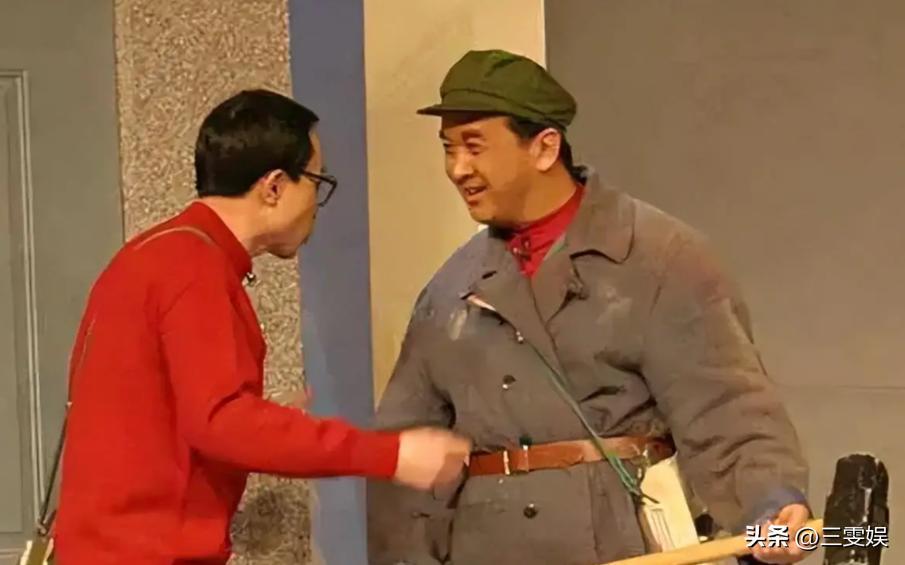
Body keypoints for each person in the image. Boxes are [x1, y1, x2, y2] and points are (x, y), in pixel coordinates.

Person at [367, 50, 810, 565]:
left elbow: (726, 407)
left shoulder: (659, 258)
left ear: (544, 147)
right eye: (448, 149)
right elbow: (405, 450)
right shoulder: (450, 290)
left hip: (623, 543)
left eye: (474, 146)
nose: (457, 169)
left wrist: (770, 507)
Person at [53, 89, 470, 565]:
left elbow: (168, 414)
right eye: (317, 181)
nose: (317, 204)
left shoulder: (152, 255)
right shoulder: (193, 267)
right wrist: (391, 455)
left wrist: (261, 419)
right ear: (274, 186)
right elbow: (223, 423)